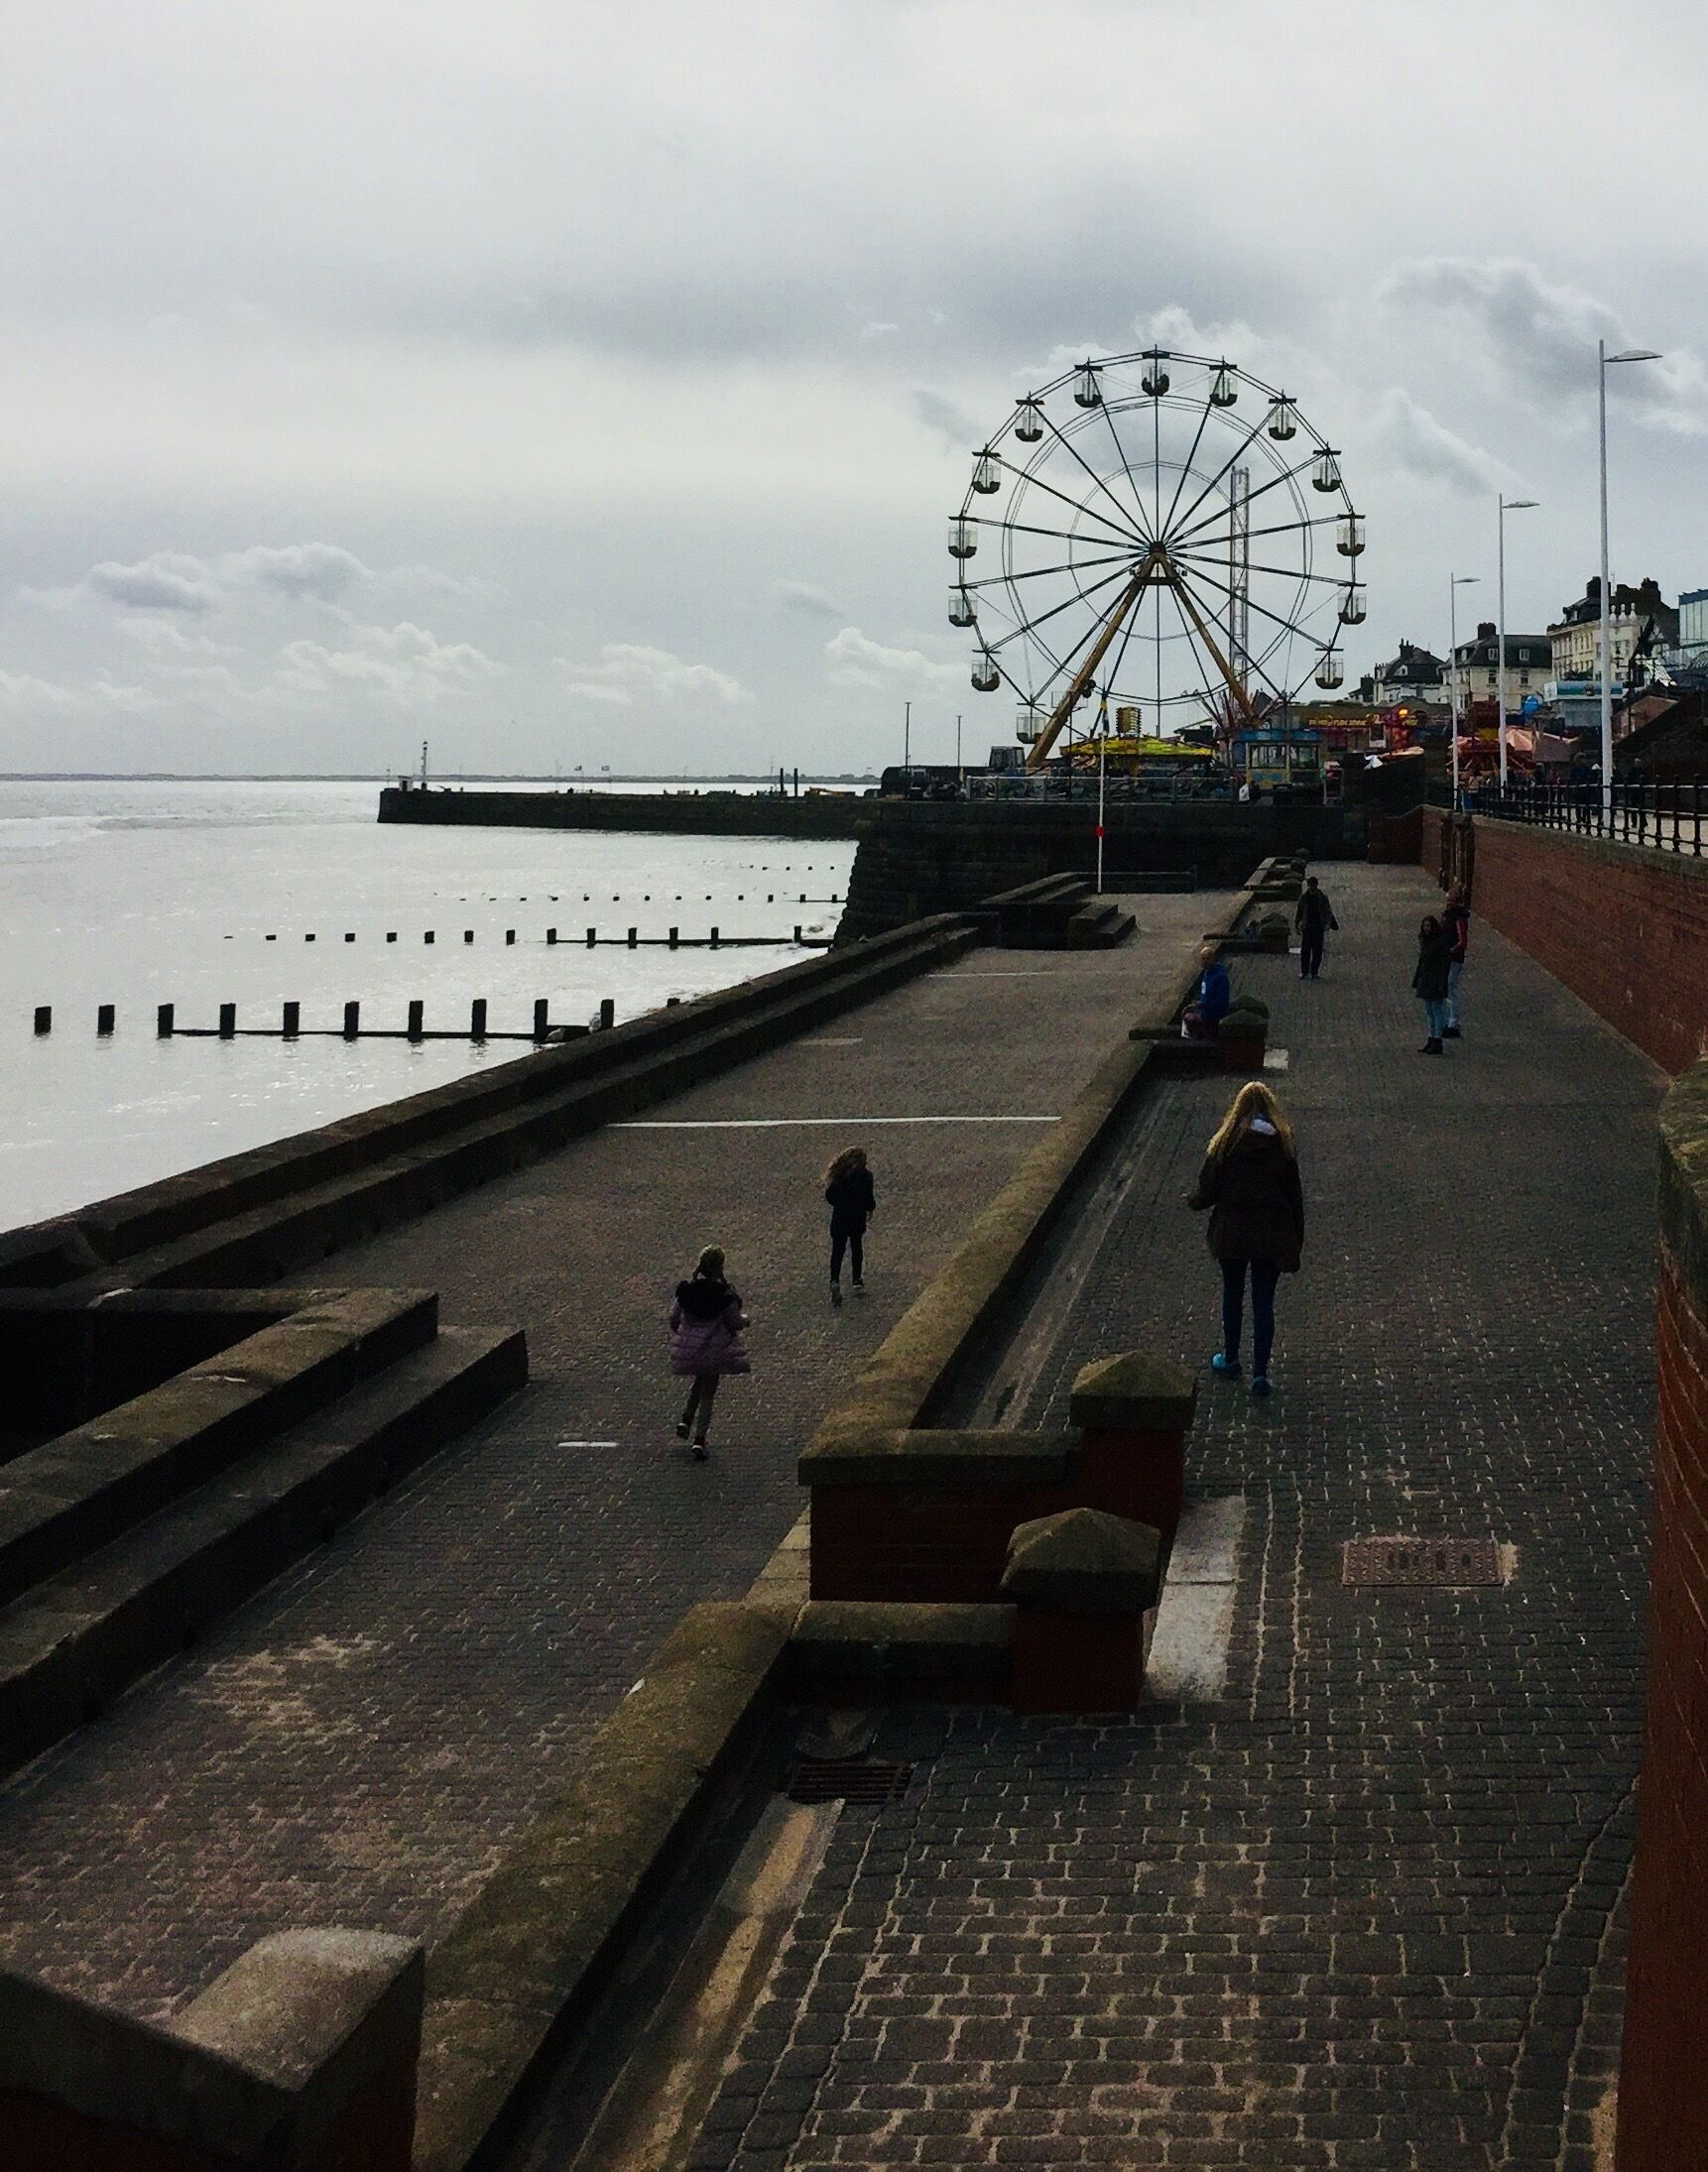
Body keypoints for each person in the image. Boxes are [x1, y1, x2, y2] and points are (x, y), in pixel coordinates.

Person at [1187, 1080, 1304, 1398]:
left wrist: (1192, 1201)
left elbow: (1208, 1189)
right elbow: (1294, 1196)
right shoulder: (1283, 1144)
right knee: (1263, 1301)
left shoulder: (1226, 1142)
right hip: (1272, 1232)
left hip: (1233, 1231)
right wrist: (1296, 1238)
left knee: (1233, 1292)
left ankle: (1230, 1358)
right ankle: (1260, 1373)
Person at [669, 1245, 750, 1460]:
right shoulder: (724, 1295)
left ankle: (686, 1419)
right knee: (708, 1393)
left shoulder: (686, 1291)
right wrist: (745, 1321)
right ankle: (699, 1439)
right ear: (721, 1267)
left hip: (693, 1350)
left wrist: (683, 1336)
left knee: (699, 1381)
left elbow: (674, 1317)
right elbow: (734, 1321)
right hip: (714, 1351)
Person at [824, 1146, 876, 1305]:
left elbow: (830, 1196)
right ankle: (856, 1278)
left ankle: (834, 1280)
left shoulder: (839, 1175)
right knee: (856, 1246)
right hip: (856, 1217)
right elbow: (869, 1198)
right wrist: (869, 1209)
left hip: (840, 1217)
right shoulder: (866, 1176)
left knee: (837, 1251)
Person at [1412, 912, 1453, 1054]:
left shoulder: (1441, 942)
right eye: (1425, 926)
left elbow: (1445, 964)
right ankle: (1431, 1038)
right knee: (1429, 1010)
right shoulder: (1425, 941)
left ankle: (1437, 1040)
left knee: (1437, 1010)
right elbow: (1421, 962)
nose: (1427, 928)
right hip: (1426, 979)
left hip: (1435, 980)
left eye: (1429, 926)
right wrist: (1417, 979)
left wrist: (1442, 982)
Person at [1182, 943, 1232, 1040]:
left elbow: (1221, 1001)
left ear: (1213, 959)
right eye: (1203, 959)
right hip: (1205, 1014)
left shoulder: (1221, 977)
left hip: (1214, 1018)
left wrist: (1203, 1005)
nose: (1205, 962)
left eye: (1208, 959)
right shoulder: (1206, 973)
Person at [1293, 876, 1339, 981]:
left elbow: (1328, 912)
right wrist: (1297, 924)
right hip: (1308, 927)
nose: (1312, 887)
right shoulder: (1305, 898)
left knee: (1317, 951)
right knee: (1306, 951)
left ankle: (1313, 972)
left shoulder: (1321, 898)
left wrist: (1327, 924)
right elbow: (1299, 912)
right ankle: (1305, 971)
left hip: (1318, 926)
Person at [1441, 889, 1470, 1038]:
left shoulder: (1458, 918)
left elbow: (1462, 942)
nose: (1448, 903)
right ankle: (1447, 1021)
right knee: (1447, 989)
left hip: (1454, 960)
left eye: (1451, 900)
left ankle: (1454, 1022)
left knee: (1451, 989)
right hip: (1446, 959)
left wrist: (1450, 951)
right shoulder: (1447, 916)